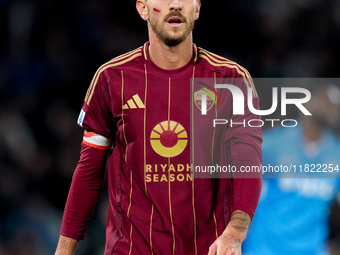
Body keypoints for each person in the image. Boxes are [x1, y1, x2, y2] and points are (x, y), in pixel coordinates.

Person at [55, 0, 263, 254]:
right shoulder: (111, 78)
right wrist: (63, 251)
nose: (175, 4)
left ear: (196, 8)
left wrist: (234, 234)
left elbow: (247, 165)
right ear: (142, 8)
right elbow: (88, 172)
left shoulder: (232, 80)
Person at [243, 83, 340, 255]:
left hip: (312, 249)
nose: (334, 107)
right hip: (265, 249)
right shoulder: (272, 145)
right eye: (328, 101)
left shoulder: (336, 153)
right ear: (308, 105)